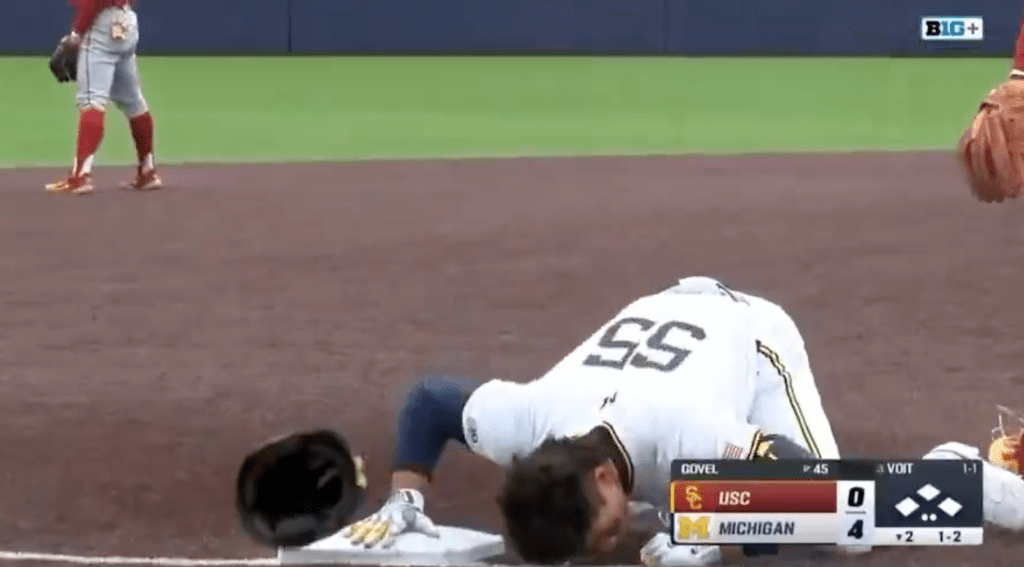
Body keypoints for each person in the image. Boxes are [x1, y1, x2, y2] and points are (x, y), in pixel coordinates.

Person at [339, 276, 1024, 566]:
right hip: (664, 316)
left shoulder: (684, 429)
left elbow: (803, 479)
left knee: (842, 527)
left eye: (601, 529)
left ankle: (962, 473)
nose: (603, 547)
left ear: (603, 476)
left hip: (750, 337)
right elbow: (430, 400)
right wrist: (406, 497)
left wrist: (708, 521)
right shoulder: (525, 419)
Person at [46, 0, 161, 195]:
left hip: (101, 23)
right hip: (126, 20)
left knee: (92, 100)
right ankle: (147, 172)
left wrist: (76, 33)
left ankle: (80, 176)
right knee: (134, 102)